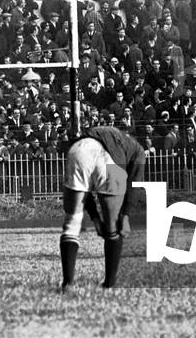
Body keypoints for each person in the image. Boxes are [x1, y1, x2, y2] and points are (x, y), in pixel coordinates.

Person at [59, 122, 146, 291]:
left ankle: (67, 283)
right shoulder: (138, 151)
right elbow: (135, 184)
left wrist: (95, 218)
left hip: (80, 149)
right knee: (113, 226)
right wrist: (125, 215)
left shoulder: (104, 133)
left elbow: (85, 193)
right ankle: (109, 284)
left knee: (72, 221)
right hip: (109, 159)